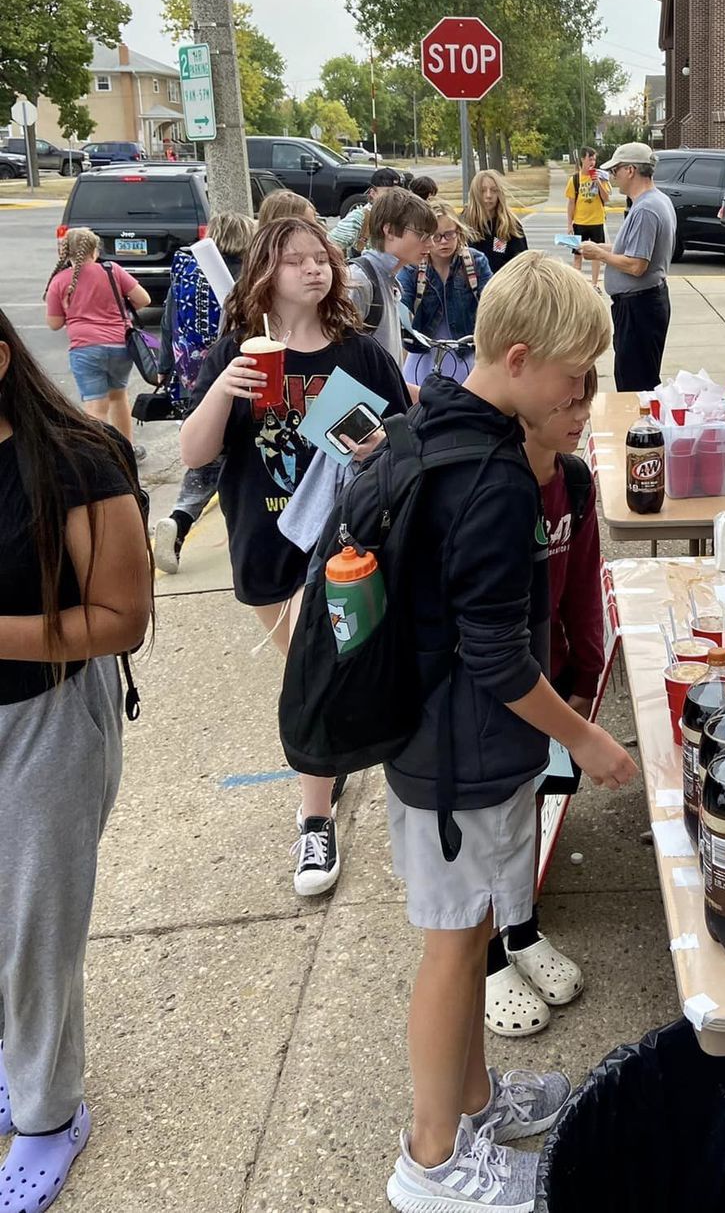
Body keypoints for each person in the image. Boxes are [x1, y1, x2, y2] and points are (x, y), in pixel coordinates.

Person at [382, 253, 637, 1212]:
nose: (584, 394)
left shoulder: (437, 422)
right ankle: (434, 1159)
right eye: (576, 377)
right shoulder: (493, 479)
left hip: (450, 747)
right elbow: (496, 659)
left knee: (477, 921)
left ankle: (478, 1099)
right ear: (522, 358)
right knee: (454, 944)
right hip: (460, 759)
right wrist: (589, 739)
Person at [180, 218, 410, 896]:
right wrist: (227, 385)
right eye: (296, 261)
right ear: (264, 273)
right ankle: (328, 771)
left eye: (322, 258)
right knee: (315, 677)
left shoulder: (359, 354)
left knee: (316, 680)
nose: (314, 270)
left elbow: (400, 442)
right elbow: (194, 456)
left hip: (343, 551)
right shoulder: (237, 353)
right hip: (265, 548)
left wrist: (374, 443)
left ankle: (314, 817)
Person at [0, 305, 151, 1209]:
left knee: (32, 931)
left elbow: (122, 619)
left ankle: (49, 1114)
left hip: (46, 720)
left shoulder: (77, 461)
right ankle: (16, 1060)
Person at [485, 366, 605, 1038]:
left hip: (548, 676)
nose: (584, 409)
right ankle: (483, 955)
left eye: (590, 392)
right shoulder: (488, 485)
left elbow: (583, 587)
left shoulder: (576, 482)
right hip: (486, 687)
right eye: (570, 394)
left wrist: (585, 679)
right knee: (483, 822)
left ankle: (520, 924)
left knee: (528, 804)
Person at [152, 210, 257, 574]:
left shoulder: (186, 271)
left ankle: (180, 517)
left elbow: (168, 323)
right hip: (241, 373)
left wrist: (164, 367)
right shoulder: (247, 275)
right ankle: (203, 522)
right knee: (239, 453)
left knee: (207, 454)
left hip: (193, 377)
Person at [44, 228, 152, 460]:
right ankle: (126, 449)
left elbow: (54, 323)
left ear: (66, 253)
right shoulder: (112, 270)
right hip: (119, 346)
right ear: (95, 250)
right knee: (118, 396)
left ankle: (101, 455)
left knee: (95, 404)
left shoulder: (59, 282)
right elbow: (144, 299)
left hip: (84, 349)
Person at [577, 142, 676, 393]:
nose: (613, 176)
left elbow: (636, 265)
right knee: (637, 377)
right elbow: (632, 250)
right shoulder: (656, 200)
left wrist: (599, 253)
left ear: (630, 170)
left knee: (635, 386)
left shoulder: (646, 209)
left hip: (639, 308)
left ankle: (639, 430)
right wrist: (601, 247)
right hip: (643, 304)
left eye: (616, 170)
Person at [397, 202, 493, 388]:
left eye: (450, 234)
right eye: (436, 236)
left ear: (459, 232)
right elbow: (401, 304)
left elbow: (494, 303)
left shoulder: (475, 261)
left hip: (466, 353)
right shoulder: (413, 266)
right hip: (423, 355)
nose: (443, 241)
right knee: (417, 406)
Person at [345, 187, 436, 378]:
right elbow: (339, 359)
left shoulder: (389, 279)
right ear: (389, 230)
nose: (430, 244)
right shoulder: (360, 280)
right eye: (422, 235)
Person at [328, 166, 403, 256]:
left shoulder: (404, 217)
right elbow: (330, 247)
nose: (394, 197)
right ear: (373, 193)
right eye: (388, 193)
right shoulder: (359, 218)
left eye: (397, 193)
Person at [565, 148, 612, 289]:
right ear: (582, 159)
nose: (592, 162)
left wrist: (597, 182)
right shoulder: (575, 179)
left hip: (597, 221)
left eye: (594, 159)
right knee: (577, 254)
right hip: (579, 222)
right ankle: (577, 285)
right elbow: (571, 203)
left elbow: (606, 198)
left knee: (596, 254)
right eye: (589, 159)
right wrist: (569, 224)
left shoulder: (601, 177)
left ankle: (595, 284)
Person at [464, 170, 529, 269]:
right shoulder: (463, 223)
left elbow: (523, 263)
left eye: (494, 190)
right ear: (475, 193)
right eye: (483, 191)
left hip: (502, 282)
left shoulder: (511, 225)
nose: (489, 195)